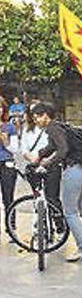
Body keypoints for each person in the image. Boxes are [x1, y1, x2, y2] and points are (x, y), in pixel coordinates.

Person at [31, 103, 82, 262]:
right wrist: (40, 155)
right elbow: (52, 146)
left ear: (45, 115)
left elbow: (63, 150)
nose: (36, 122)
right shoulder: (61, 126)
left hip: (74, 170)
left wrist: (46, 163)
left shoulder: (53, 128)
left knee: (70, 212)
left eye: (37, 118)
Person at [0, 98, 17, 238]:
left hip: (6, 163)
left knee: (8, 197)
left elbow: (15, 149)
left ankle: (11, 227)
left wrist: (6, 141)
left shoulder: (9, 127)